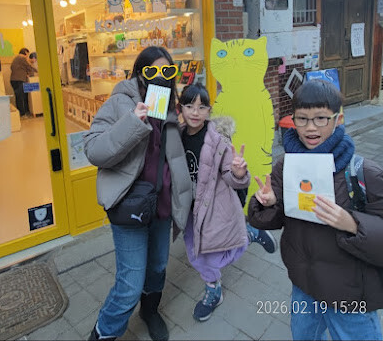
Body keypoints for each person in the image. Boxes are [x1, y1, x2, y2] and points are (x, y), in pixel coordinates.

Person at [248, 80, 383, 341]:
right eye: (302, 119)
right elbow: (271, 220)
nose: (311, 127)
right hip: (304, 285)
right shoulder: (286, 166)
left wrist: (353, 224)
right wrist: (268, 203)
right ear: (293, 121)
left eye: (321, 118)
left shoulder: (363, 173)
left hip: (349, 294)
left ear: (338, 119)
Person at [84, 46, 192, 341]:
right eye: (152, 70)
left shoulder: (170, 106)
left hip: (161, 204)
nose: (160, 76)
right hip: (130, 205)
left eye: (167, 70)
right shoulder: (120, 101)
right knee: (130, 284)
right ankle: (104, 333)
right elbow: (93, 149)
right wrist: (132, 122)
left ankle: (150, 311)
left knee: (157, 267)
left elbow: (175, 155)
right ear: (139, 73)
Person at [179, 83, 277, 322]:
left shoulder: (217, 139)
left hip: (214, 207)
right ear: (180, 108)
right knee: (194, 253)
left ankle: (215, 286)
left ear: (209, 110)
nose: (195, 112)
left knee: (212, 254)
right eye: (189, 106)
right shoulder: (177, 136)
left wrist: (238, 172)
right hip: (189, 209)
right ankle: (247, 237)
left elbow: (232, 178)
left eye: (201, 107)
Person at [10, 48, 37, 118]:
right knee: (22, 97)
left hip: (13, 80)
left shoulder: (16, 59)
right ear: (25, 52)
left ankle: (21, 113)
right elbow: (29, 67)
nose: (27, 56)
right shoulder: (22, 58)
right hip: (20, 80)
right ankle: (23, 114)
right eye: (27, 54)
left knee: (18, 97)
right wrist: (37, 72)